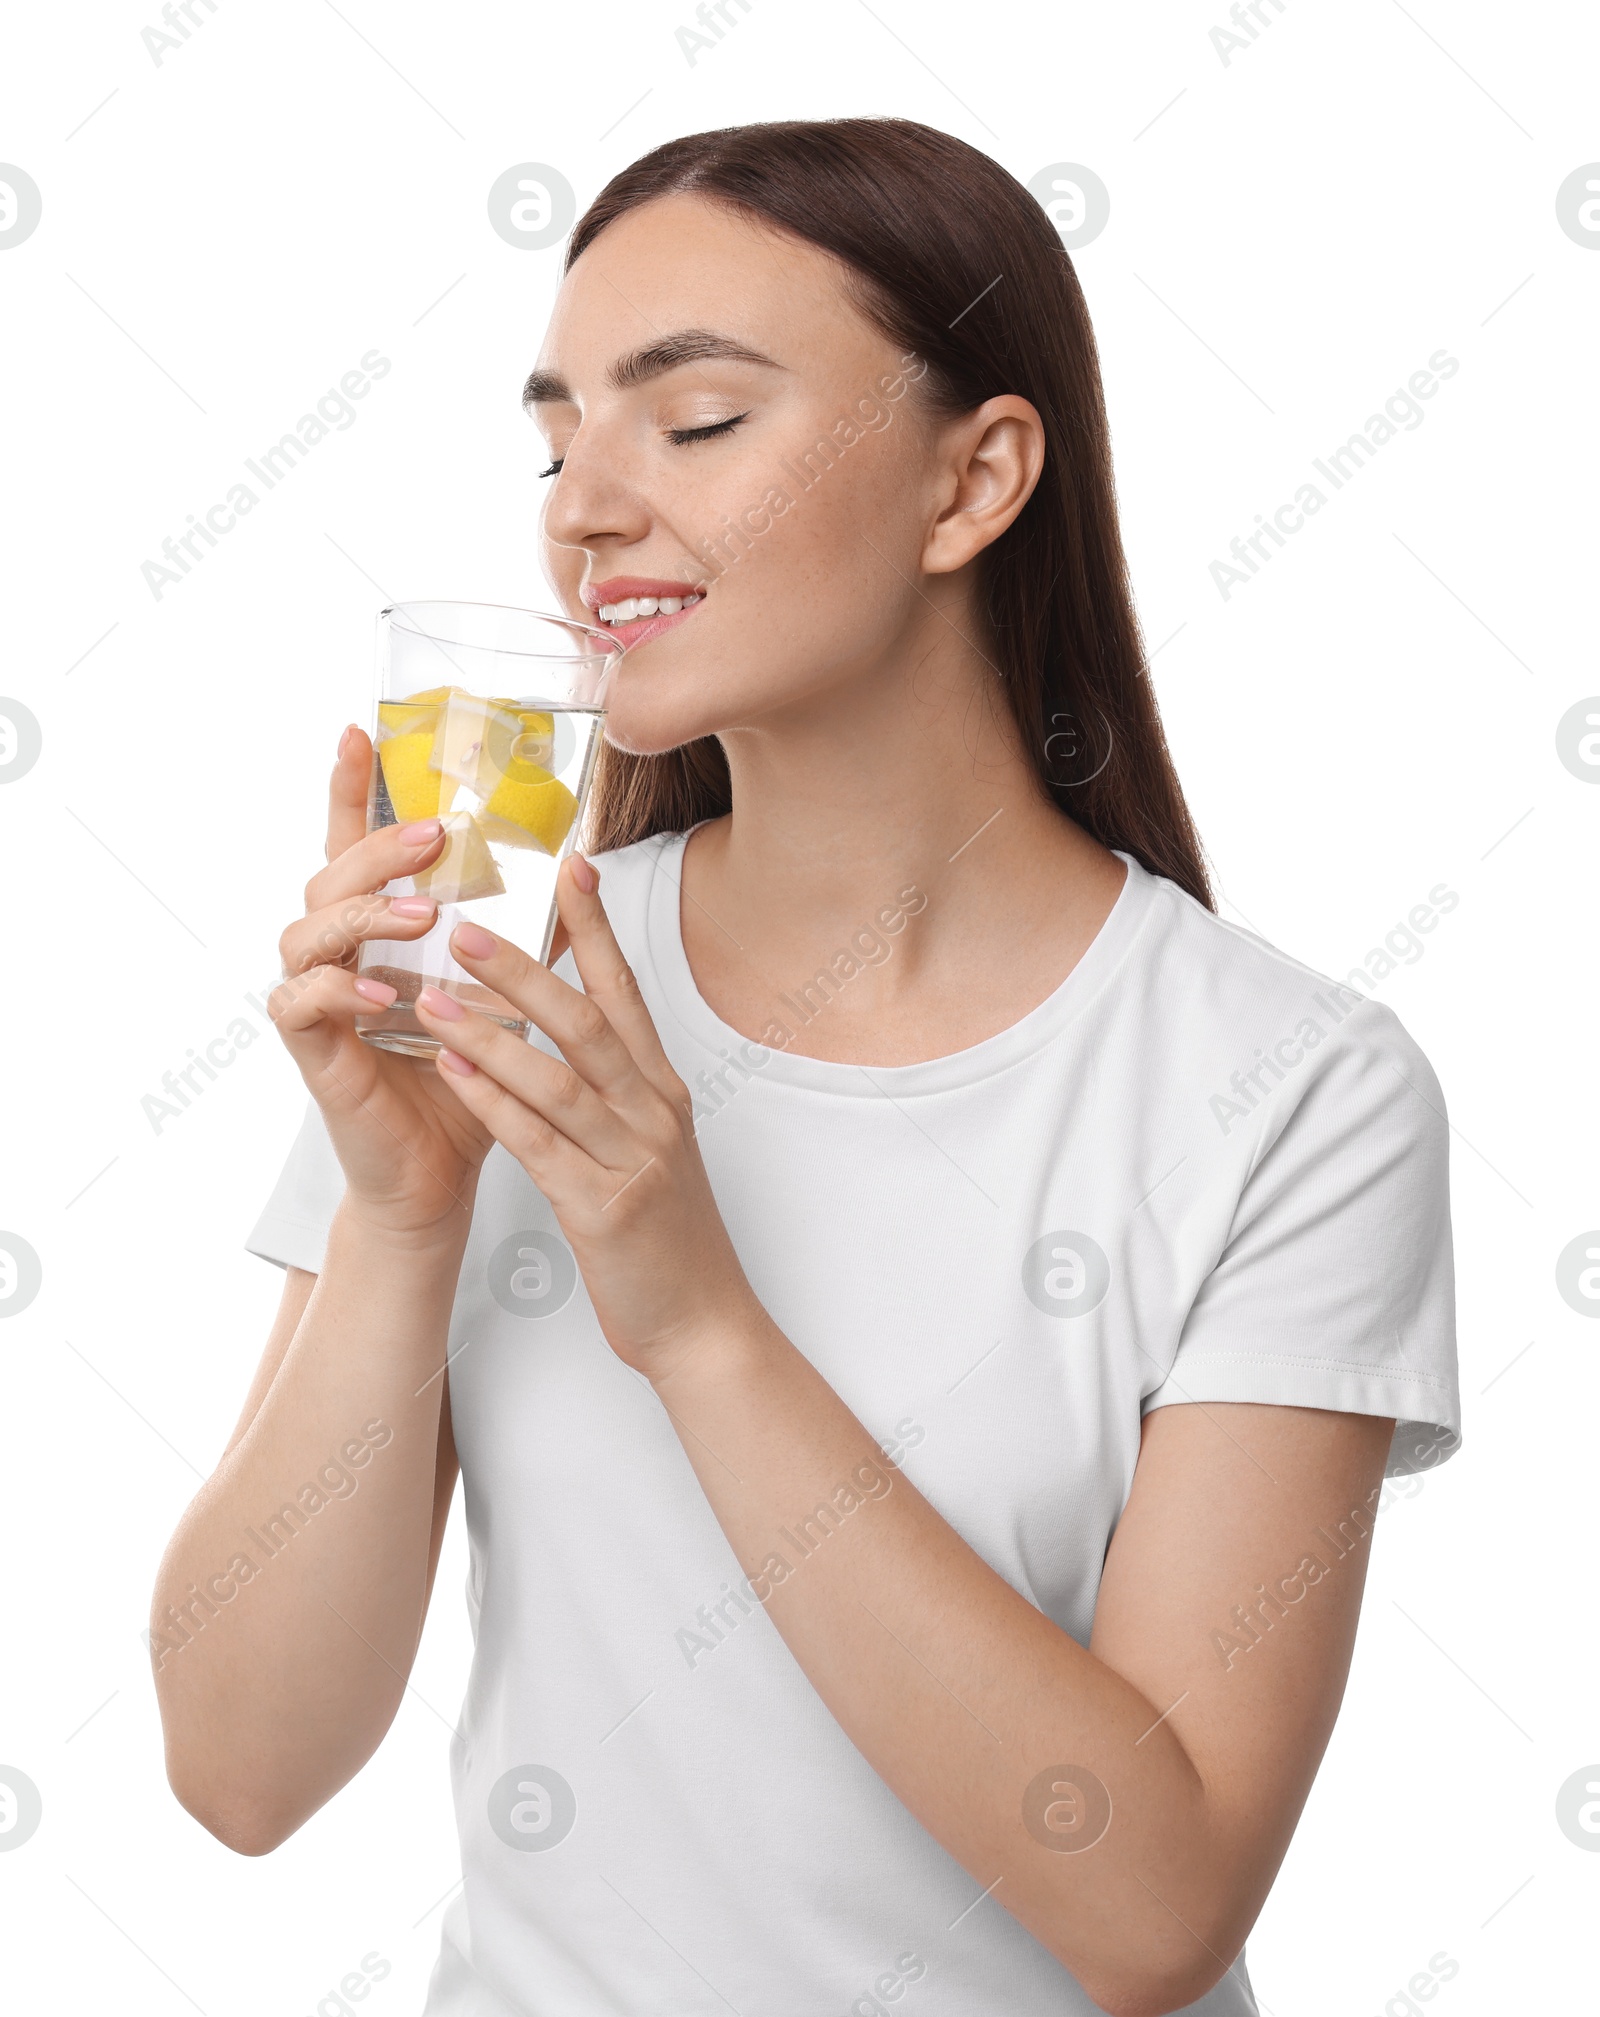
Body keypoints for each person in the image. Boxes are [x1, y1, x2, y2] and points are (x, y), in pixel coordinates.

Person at [151, 117, 1460, 2017]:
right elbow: (241, 1772)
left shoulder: (1289, 1090)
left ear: (973, 481)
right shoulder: (506, 995)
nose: (583, 506)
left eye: (691, 426)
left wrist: (696, 1314)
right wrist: (402, 1214)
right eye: (556, 438)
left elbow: (1157, 1907)